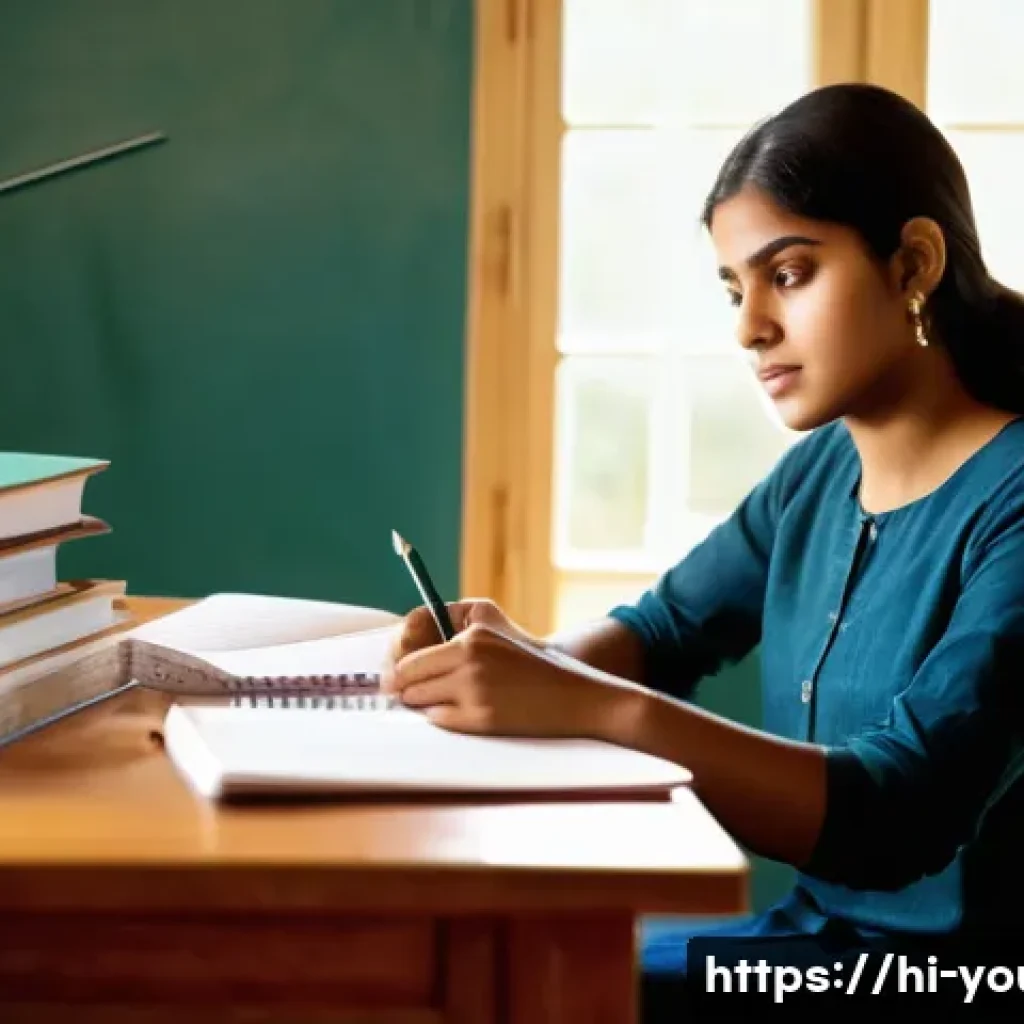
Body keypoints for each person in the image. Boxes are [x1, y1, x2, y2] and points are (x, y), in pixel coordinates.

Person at [381, 83, 1024, 1019]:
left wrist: (582, 704)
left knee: (533, 986)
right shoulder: (819, 474)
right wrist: (523, 663)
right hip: (807, 941)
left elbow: (897, 815)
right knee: (507, 960)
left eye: (788, 274)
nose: (748, 326)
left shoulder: (1013, 498)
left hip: (955, 980)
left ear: (913, 263)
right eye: (734, 288)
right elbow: (663, 632)